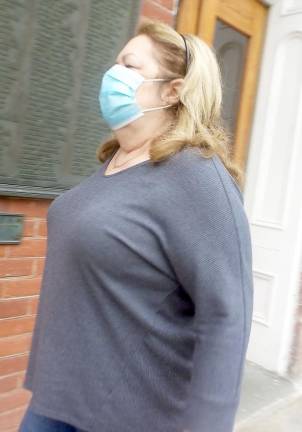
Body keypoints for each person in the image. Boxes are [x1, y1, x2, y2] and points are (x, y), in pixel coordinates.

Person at [19, 17, 254, 432]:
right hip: (57, 399)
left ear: (172, 91)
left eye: (130, 66)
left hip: (126, 415)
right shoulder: (113, 165)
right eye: (116, 64)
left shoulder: (197, 176)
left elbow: (225, 316)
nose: (113, 75)